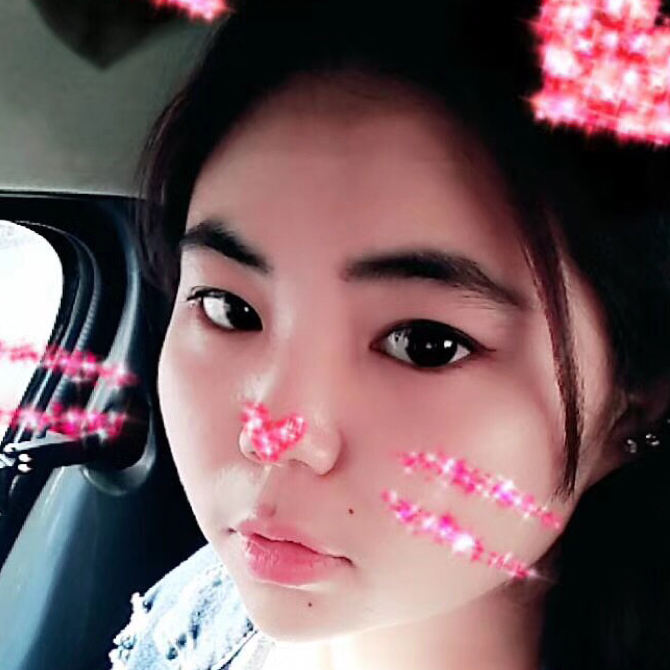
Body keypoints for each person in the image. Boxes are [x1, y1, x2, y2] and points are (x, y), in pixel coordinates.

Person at [108, 1, 670, 669]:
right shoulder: (192, 615)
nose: (272, 435)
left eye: (425, 344)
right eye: (229, 308)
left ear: (632, 403)